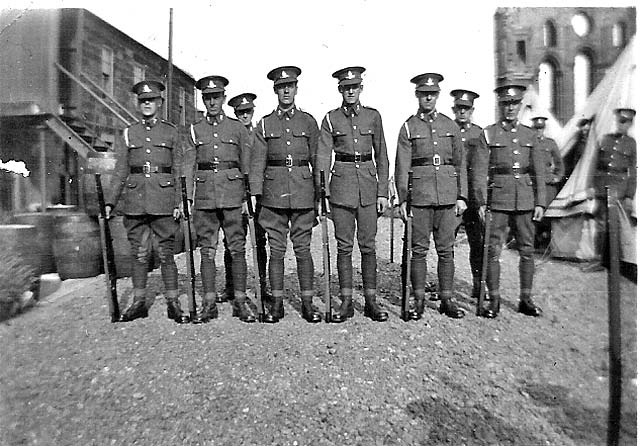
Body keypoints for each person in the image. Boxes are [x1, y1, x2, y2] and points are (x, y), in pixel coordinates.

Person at [105, 80, 188, 323]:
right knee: (139, 253)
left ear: (160, 103)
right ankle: (139, 302)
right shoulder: (130, 132)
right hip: (136, 201)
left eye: (151, 100)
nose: (147, 104)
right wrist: (111, 201)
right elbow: (121, 169)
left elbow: (178, 168)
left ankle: (173, 302)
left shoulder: (171, 132)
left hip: (163, 200)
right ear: (138, 103)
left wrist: (179, 201)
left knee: (165, 254)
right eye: (143, 101)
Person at [317, 66, 390, 323]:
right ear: (340, 90)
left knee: (368, 246)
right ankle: (346, 301)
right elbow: (323, 157)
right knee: (345, 246)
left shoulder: (373, 116)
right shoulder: (331, 119)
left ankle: (371, 300)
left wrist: (383, 192)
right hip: (341, 188)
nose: (350, 91)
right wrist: (323, 192)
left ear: (361, 89)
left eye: (354, 87)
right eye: (346, 88)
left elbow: (382, 155)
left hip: (368, 188)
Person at [249, 66, 321, 323]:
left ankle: (308, 303)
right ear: (276, 91)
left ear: (296, 89)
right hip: (273, 192)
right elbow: (257, 161)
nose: (286, 91)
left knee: (303, 249)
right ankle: (277, 304)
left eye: (290, 86)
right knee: (277, 250)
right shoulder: (265, 124)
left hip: (302, 191)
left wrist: (319, 193)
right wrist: (256, 193)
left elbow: (317, 159)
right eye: (281, 87)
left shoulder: (308, 122)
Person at [395, 73, 467, 320]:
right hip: (421, 197)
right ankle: (418, 300)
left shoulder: (450, 126)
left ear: (437, 95)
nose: (428, 97)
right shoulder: (408, 127)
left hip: (447, 196)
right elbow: (402, 166)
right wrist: (404, 199)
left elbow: (460, 164)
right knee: (419, 250)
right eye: (424, 93)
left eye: (433, 94)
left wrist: (462, 196)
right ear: (417, 95)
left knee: (446, 250)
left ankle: (447, 298)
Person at [184, 75, 255, 323]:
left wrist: (248, 196)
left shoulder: (237, 128)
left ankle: (240, 300)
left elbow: (246, 165)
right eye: (207, 98)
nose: (212, 102)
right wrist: (188, 198)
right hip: (205, 196)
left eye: (216, 97)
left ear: (224, 98)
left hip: (233, 195)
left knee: (237, 248)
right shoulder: (194, 129)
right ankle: (209, 303)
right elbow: (189, 165)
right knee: (207, 251)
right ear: (203, 100)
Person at [471, 82, 546, 318]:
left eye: (514, 104)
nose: (510, 108)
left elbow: (539, 171)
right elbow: (479, 171)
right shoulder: (489, 133)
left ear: (520, 105)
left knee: (527, 250)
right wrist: (482, 202)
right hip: (499, 200)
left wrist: (541, 202)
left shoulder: (530, 135)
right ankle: (494, 301)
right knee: (493, 250)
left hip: (524, 199)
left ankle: (525, 299)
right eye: (505, 104)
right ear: (500, 106)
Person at [220, 92, 271, 306]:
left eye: (248, 111)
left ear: (253, 111)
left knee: (259, 241)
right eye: (240, 112)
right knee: (232, 242)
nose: (244, 116)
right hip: (236, 195)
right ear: (235, 113)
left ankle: (262, 285)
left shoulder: (259, 134)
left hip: (258, 196)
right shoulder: (231, 135)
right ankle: (231, 286)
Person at [450, 88, 484, 302]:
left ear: (472, 110)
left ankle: (478, 284)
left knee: (477, 243)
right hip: (453, 195)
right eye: (459, 108)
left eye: (466, 109)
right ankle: (447, 287)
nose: (462, 112)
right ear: (454, 109)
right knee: (447, 242)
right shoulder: (447, 130)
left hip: (474, 196)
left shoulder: (480, 134)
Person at [531, 116, 564, 250]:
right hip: (533, 183)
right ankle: (534, 241)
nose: (539, 131)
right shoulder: (529, 142)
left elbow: (559, 163)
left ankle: (546, 241)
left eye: (541, 128)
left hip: (548, 183)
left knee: (547, 213)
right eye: (536, 128)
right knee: (533, 212)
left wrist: (557, 177)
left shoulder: (550, 143)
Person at [564, 116, 593, 182]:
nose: (584, 133)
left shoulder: (592, 142)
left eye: (586, 130)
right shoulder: (579, 142)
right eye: (582, 130)